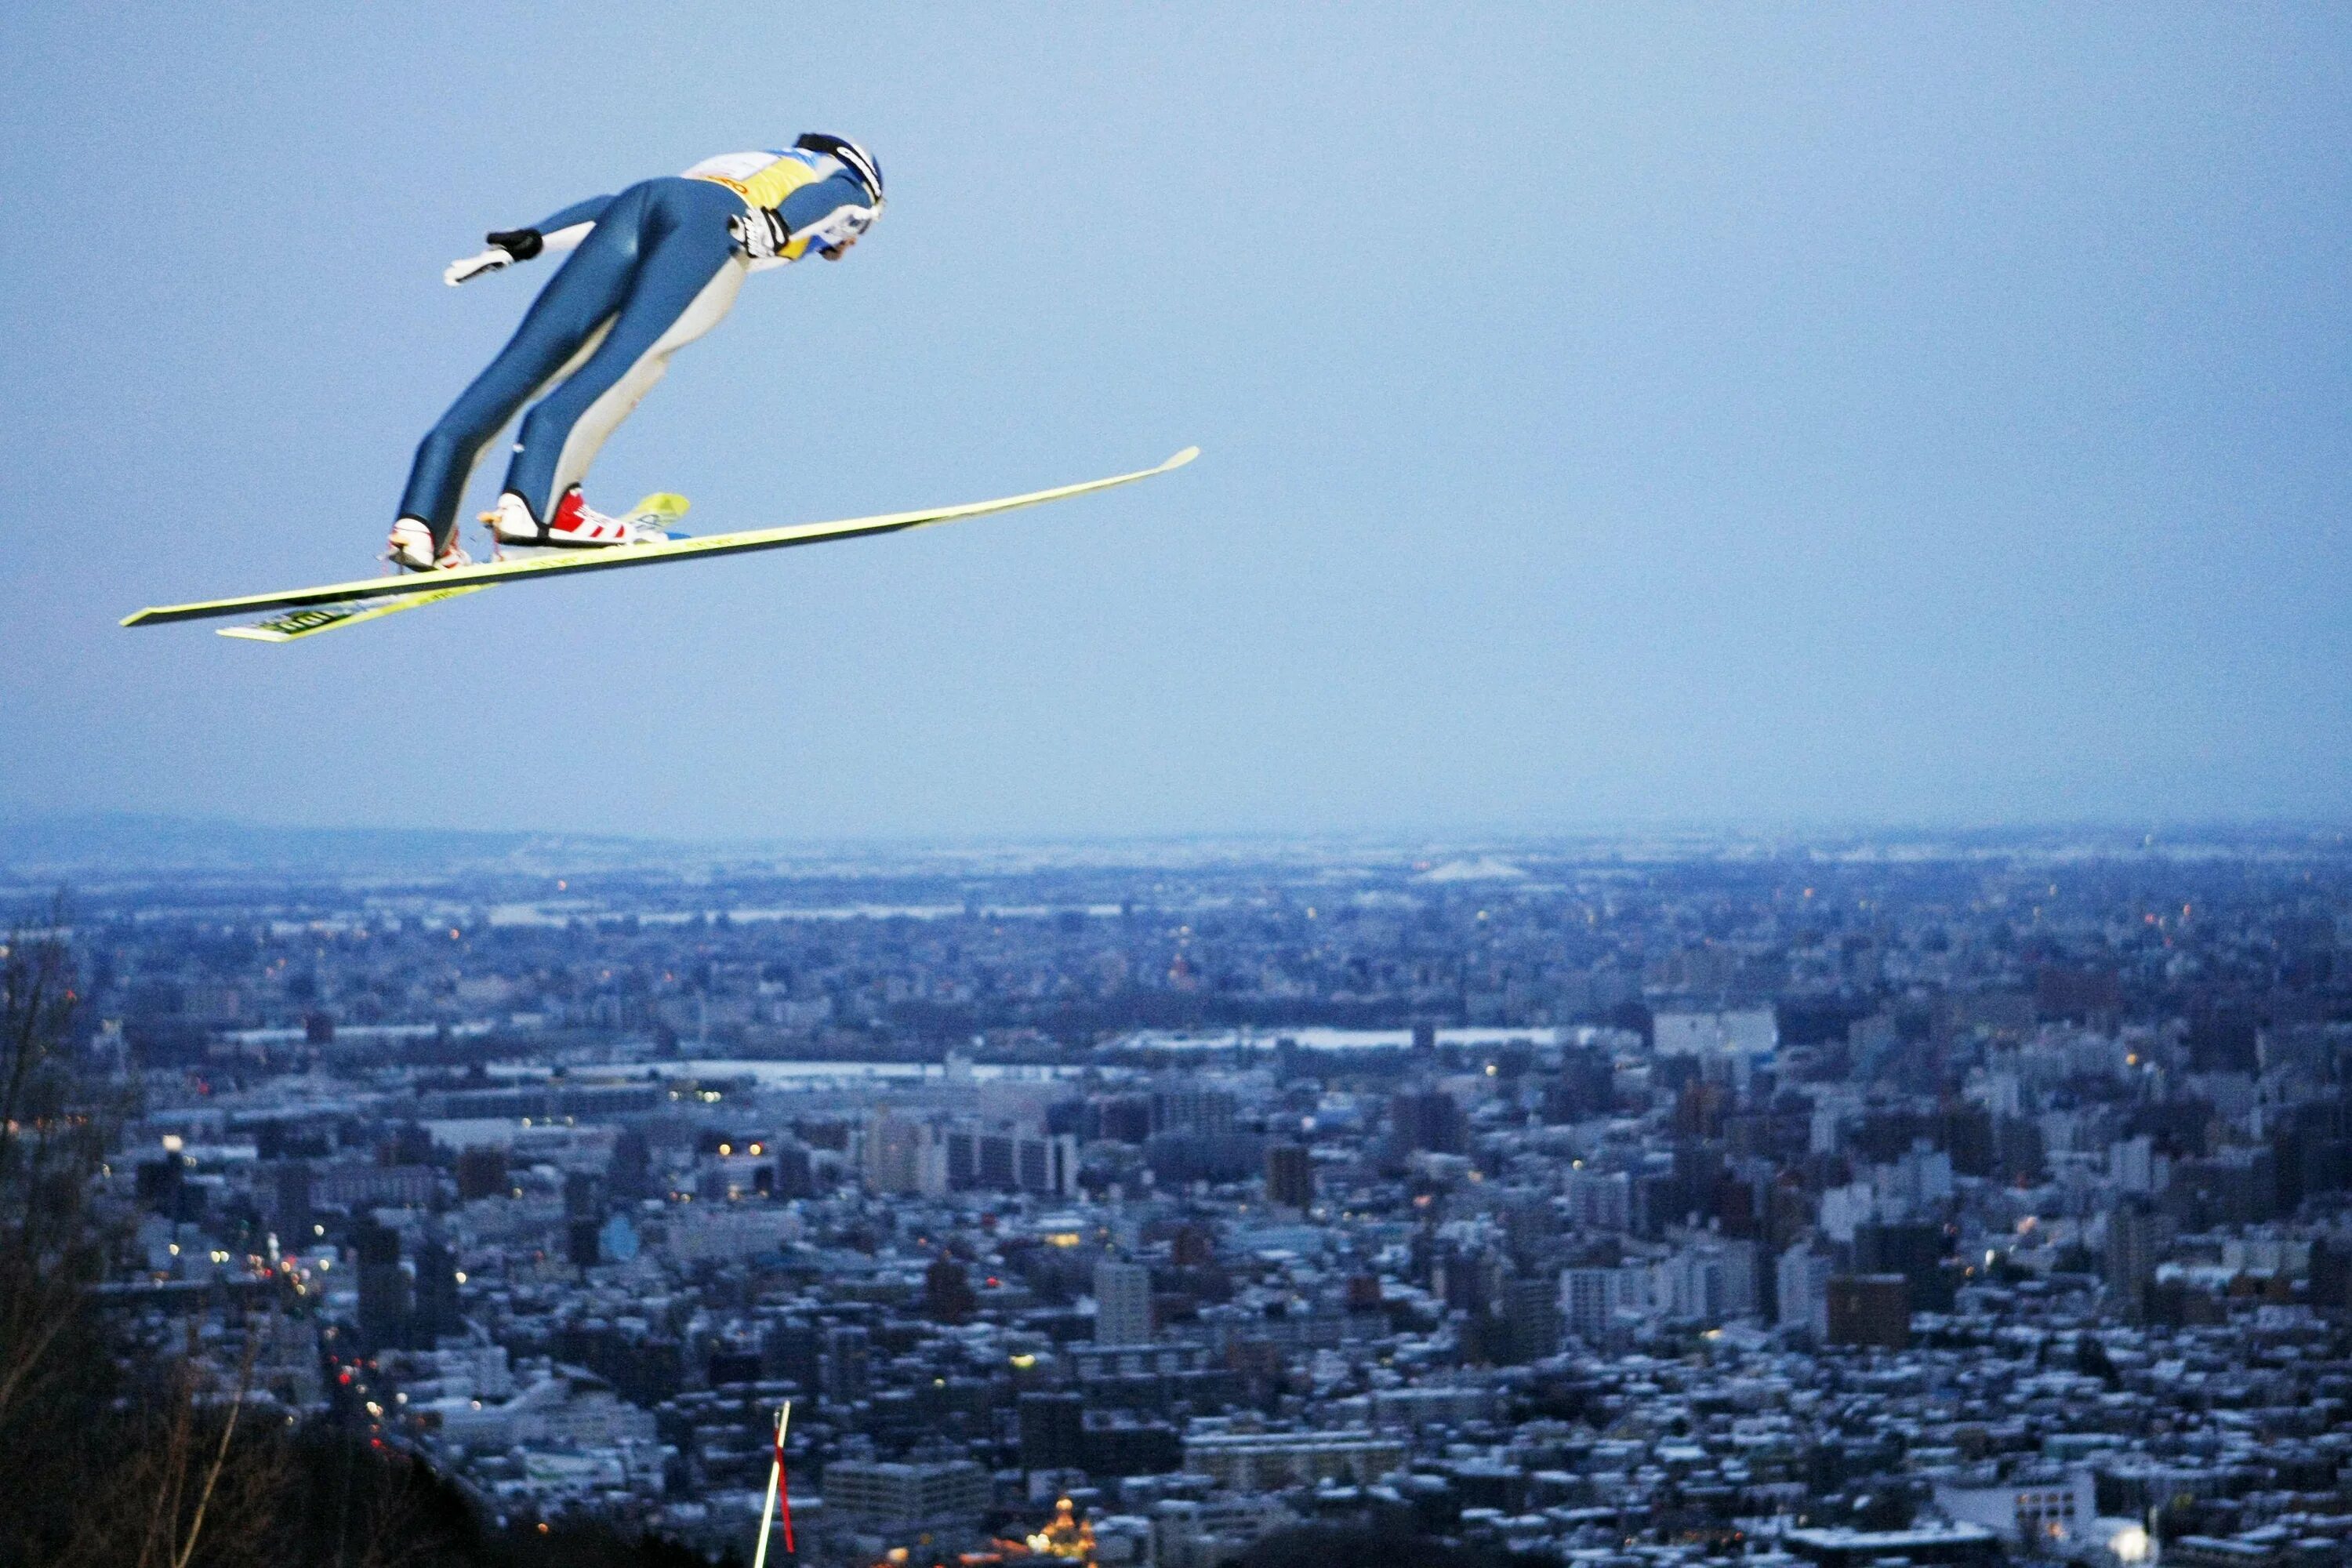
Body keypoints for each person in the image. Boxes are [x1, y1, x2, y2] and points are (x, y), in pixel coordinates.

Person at [387, 135, 883, 572]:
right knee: (631, 361)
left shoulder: (760, 159)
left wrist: (533, 239)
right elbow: (835, 198)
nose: (843, 250)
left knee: (526, 362)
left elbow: (616, 205)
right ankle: (545, 507)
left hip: (641, 205)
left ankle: (423, 522)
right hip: (714, 228)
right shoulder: (850, 184)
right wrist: (780, 225)